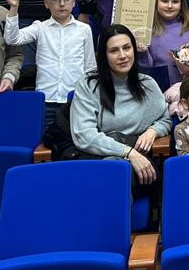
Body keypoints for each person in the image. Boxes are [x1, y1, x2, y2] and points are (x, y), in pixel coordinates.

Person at [70, 24, 170, 188]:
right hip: (98, 158)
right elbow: (84, 135)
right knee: (111, 171)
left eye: (127, 48)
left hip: (140, 163)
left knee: (113, 176)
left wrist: (153, 131)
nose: (122, 55)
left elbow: (165, 119)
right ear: (104, 56)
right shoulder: (88, 85)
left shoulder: (147, 84)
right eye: (114, 50)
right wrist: (128, 152)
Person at [4, 0, 96, 128]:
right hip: (45, 100)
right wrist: (14, 7)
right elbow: (12, 39)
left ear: (74, 2)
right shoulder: (40, 28)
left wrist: (90, 99)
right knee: (44, 140)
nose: (62, 4)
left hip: (75, 101)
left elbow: (90, 68)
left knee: (73, 141)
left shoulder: (84, 29)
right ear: (46, 3)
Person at [137, 0, 189, 86]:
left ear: (181, 5)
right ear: (156, 2)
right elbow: (144, 69)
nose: (169, 6)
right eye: (164, 1)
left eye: (175, 2)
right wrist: (141, 52)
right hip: (158, 89)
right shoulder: (146, 31)